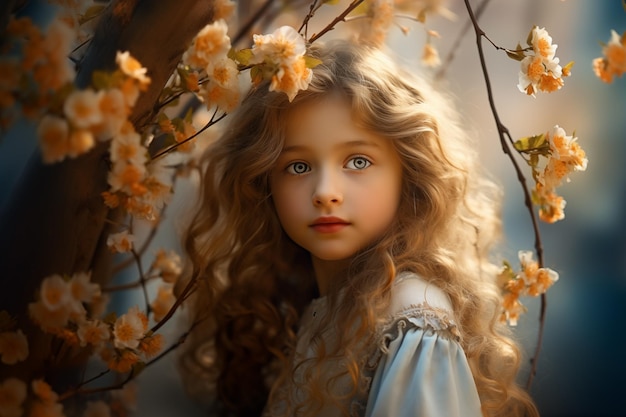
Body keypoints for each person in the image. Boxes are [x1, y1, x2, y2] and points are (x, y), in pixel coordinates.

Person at [177, 39, 539, 417]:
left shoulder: (414, 325)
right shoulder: (302, 305)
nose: (325, 193)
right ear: (262, 182)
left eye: (358, 161)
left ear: (410, 174)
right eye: (298, 166)